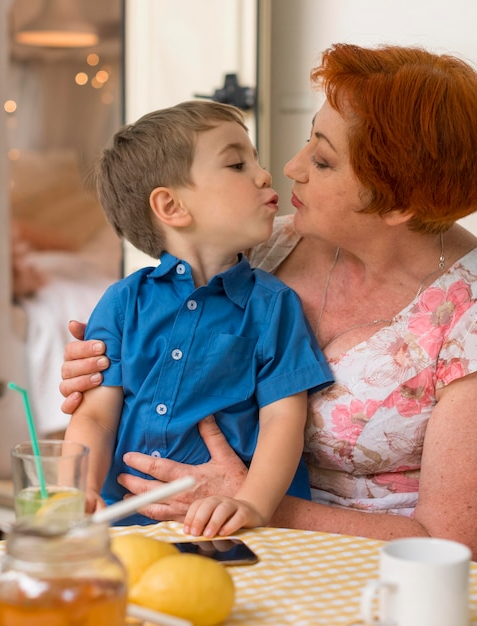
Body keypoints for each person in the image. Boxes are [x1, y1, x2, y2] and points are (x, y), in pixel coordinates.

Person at [60, 44, 477, 569]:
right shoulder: (258, 247)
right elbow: (148, 365)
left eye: (322, 160)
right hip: (240, 557)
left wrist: (251, 498)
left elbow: (456, 547)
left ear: (398, 201)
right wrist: (96, 369)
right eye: (308, 140)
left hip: (397, 583)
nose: (290, 168)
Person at [63, 100, 334, 534]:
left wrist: (251, 505)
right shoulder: (122, 302)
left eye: (256, 161)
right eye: (236, 164)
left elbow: (284, 420)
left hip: (227, 529)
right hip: (124, 524)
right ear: (171, 207)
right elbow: (94, 416)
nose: (264, 174)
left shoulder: (273, 306)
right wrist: (76, 492)